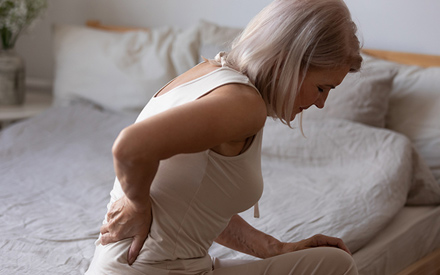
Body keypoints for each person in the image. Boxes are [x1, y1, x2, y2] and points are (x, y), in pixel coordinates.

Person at [86, 0, 363, 274]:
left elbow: (195, 207)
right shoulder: (244, 105)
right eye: (321, 87)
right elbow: (130, 146)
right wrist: (136, 204)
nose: (321, 103)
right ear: (289, 62)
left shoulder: (210, 73)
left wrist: (276, 249)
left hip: (152, 265)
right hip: (153, 269)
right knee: (336, 267)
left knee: (329, 261)